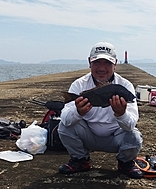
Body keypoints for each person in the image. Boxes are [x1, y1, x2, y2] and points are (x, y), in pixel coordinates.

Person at [58, 41, 143, 178]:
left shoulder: (125, 85)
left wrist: (121, 114)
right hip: (88, 136)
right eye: (97, 62)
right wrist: (78, 112)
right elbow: (66, 119)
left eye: (107, 63)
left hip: (116, 138)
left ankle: (125, 163)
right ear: (89, 63)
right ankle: (80, 160)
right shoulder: (79, 84)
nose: (102, 68)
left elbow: (131, 125)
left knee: (134, 137)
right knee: (64, 126)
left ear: (115, 64)